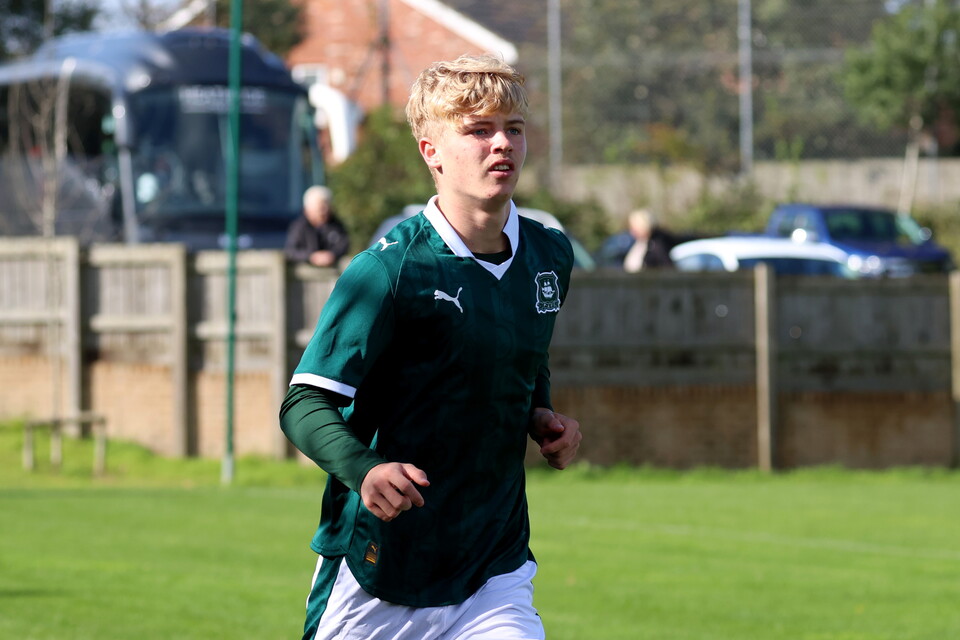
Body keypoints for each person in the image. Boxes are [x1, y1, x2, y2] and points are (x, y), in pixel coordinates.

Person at [279, 54, 582, 640]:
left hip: (493, 566)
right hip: (380, 567)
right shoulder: (388, 272)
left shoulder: (550, 255)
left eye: (512, 129)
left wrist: (540, 415)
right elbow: (303, 404)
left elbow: (520, 358)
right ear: (431, 152)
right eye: (478, 130)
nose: (502, 144)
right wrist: (365, 471)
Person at [285, 185, 350, 267]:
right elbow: (291, 251)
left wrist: (332, 255)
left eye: (326, 207)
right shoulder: (299, 227)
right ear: (308, 210)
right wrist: (311, 256)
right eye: (321, 208)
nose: (324, 211)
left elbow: (344, 244)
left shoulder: (335, 225)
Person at [596, 208, 676, 272]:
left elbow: (667, 270)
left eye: (634, 228)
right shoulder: (638, 243)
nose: (631, 231)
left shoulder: (657, 246)